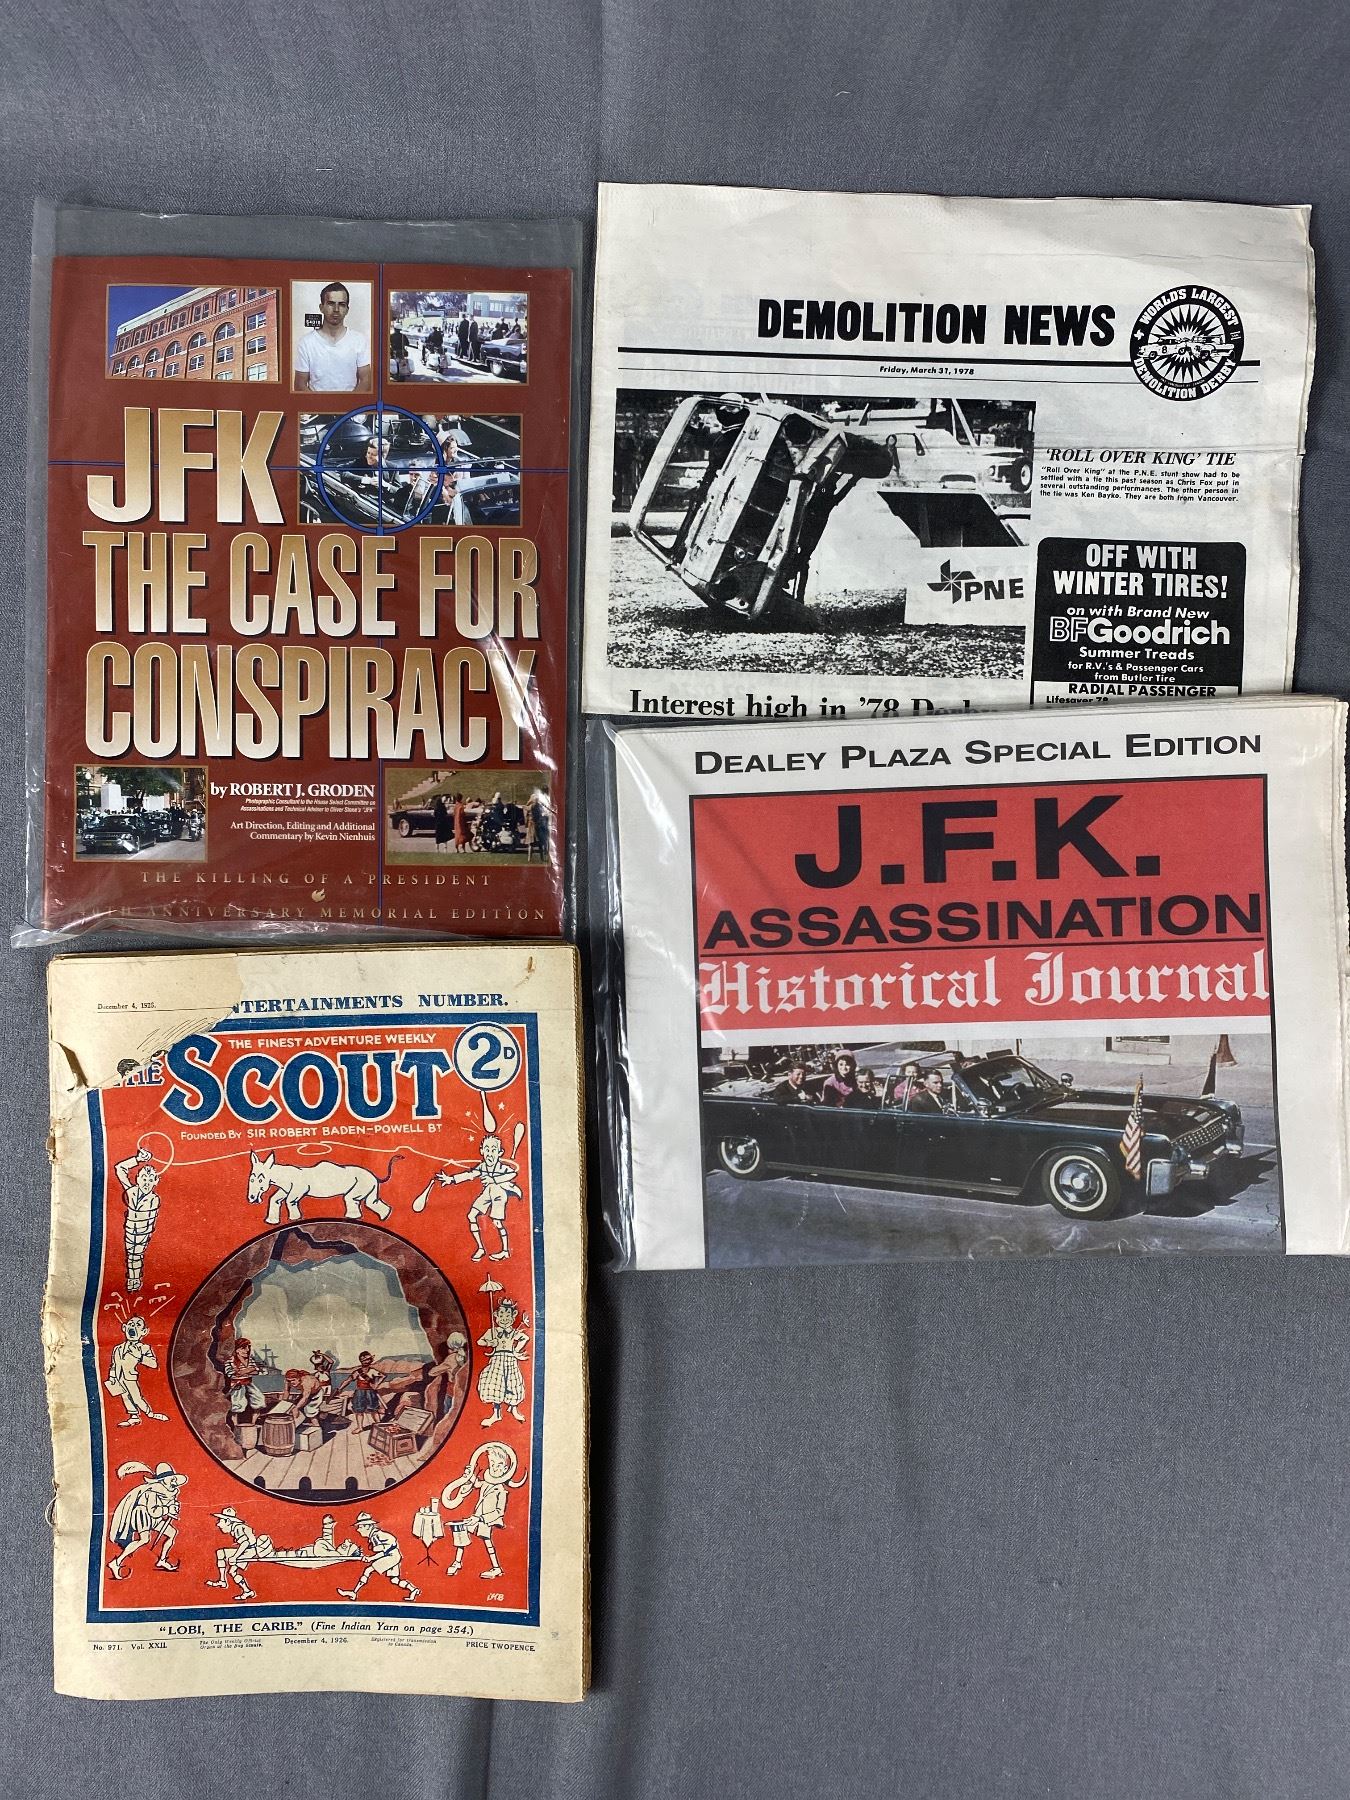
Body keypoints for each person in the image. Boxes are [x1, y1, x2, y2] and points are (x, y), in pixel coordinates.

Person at [107, 1461, 187, 1579]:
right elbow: (153, 1511)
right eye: (171, 1478)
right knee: (144, 1539)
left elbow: (164, 1509)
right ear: (162, 1480)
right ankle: (116, 1562)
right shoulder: (152, 1491)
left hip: (154, 1518)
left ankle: (162, 1560)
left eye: (174, 1478)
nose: (174, 1481)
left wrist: (173, 1509)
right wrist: (167, 1509)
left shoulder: (170, 1492)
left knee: (172, 1533)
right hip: (143, 1515)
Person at [294, 281, 371, 393]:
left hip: (351, 404)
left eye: (342, 304)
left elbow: (366, 381)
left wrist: (350, 404)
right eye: (331, 303)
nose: (336, 309)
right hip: (316, 404)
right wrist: (318, 404)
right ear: (321, 307)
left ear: (347, 310)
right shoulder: (306, 342)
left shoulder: (359, 340)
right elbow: (299, 385)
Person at [337, 1513, 419, 1603]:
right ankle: (413, 1590)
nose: (358, 1530)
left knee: (368, 1570)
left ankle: (354, 1592)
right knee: (395, 1580)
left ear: (367, 1526)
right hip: (394, 1555)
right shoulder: (375, 1535)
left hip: (391, 1556)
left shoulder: (375, 1536)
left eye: (360, 1527)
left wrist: (370, 1559)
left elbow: (384, 1552)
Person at [105, 1313, 168, 1427]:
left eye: (138, 1325)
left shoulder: (144, 1348)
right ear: (124, 1328)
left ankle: (150, 1413)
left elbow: (154, 1364)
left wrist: (140, 1357)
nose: (133, 1327)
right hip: (119, 1378)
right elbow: (114, 1364)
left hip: (130, 1378)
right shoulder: (117, 1348)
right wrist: (112, 1377)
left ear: (144, 1331)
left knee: (137, 1398)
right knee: (126, 1397)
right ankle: (134, 1416)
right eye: (131, 1324)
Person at [476, 1298, 529, 1427]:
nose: (504, 1319)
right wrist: (490, 1343)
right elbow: (479, 1341)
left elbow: (525, 1338)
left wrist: (516, 1350)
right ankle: (496, 1413)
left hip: (510, 1360)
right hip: (497, 1360)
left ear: (513, 1316)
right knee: (495, 1384)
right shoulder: (493, 1331)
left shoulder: (514, 1332)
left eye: (507, 1316)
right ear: (496, 1316)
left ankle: (514, 1409)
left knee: (513, 1383)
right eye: (501, 1315)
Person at [206, 1506, 265, 1601]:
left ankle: (247, 1591)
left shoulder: (238, 1528)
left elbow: (245, 1543)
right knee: (220, 1553)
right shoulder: (237, 1527)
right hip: (247, 1550)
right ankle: (222, 1580)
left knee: (232, 1571)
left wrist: (235, 1557)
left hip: (249, 1551)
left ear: (228, 1521)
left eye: (220, 1521)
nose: (218, 1524)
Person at [222, 1336, 265, 1425]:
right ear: (237, 1350)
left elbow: (256, 1372)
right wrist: (250, 1370)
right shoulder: (230, 1361)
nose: (247, 1350)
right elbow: (231, 1374)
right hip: (237, 1385)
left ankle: (253, 1423)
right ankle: (236, 1425)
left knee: (259, 1399)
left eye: (248, 1347)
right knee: (238, 1405)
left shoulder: (250, 1360)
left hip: (249, 1383)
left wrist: (245, 1371)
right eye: (244, 1348)